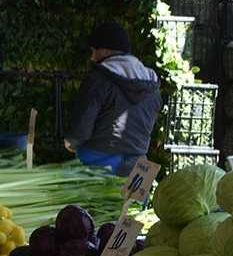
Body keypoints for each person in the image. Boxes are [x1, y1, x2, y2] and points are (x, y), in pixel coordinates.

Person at [64, 22, 163, 177]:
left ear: (104, 50)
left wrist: (72, 142)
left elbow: (82, 125)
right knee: (132, 202)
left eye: (93, 51)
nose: (92, 57)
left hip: (97, 162)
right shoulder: (153, 86)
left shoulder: (98, 79)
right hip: (139, 165)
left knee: (93, 202)